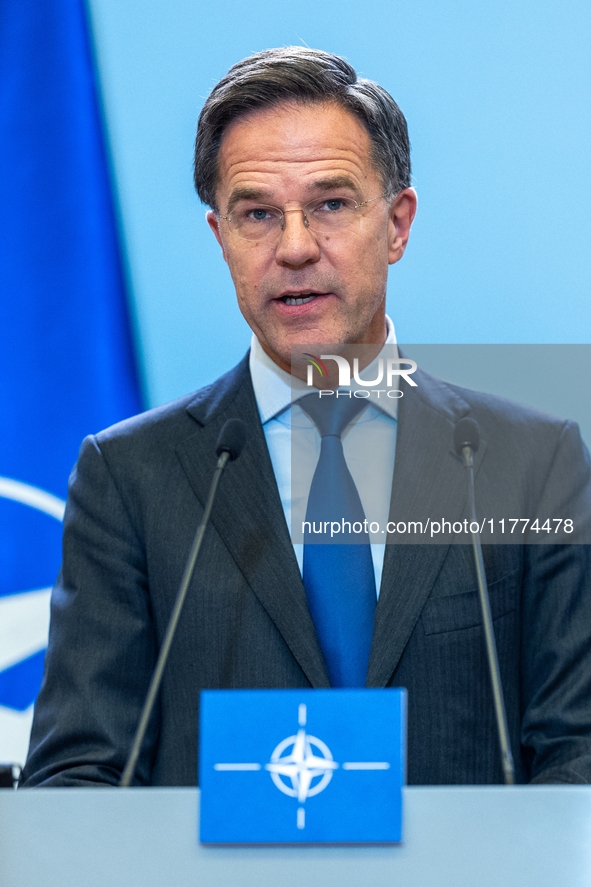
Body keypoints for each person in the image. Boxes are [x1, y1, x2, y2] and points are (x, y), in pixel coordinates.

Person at [22, 47, 591, 787]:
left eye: (330, 204)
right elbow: (77, 773)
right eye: (256, 213)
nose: (294, 248)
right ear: (219, 236)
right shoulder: (129, 478)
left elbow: (576, 751)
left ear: (395, 223)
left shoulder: (529, 464)